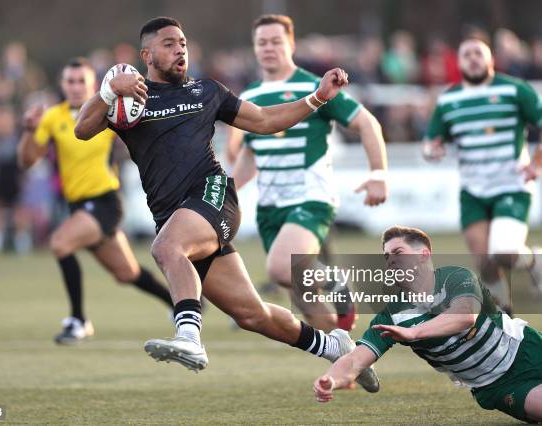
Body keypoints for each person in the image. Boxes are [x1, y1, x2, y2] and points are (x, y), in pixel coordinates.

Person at [74, 16, 379, 392]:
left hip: (214, 195)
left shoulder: (207, 92)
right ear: (147, 55)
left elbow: (266, 120)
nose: (180, 49)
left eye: (183, 43)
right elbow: (82, 130)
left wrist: (317, 97)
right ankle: (335, 346)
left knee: (166, 248)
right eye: (169, 44)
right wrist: (107, 92)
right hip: (176, 216)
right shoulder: (130, 101)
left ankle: (189, 337)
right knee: (253, 315)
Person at [228, 14, 388, 332]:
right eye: (262, 42)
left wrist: (379, 174)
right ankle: (344, 355)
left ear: (291, 43)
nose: (268, 48)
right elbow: (249, 154)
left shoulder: (314, 87)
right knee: (303, 297)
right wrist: (226, 193)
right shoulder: (248, 96)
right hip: (270, 208)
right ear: (254, 48)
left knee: (280, 269)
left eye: (276, 41)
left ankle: (337, 282)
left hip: (310, 199)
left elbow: (367, 123)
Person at [313, 225, 542, 423]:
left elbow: (464, 316)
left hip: (527, 349)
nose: (390, 260)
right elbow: (354, 359)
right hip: (495, 386)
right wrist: (331, 380)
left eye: (398, 252)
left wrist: (414, 333)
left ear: (423, 255)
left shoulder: (456, 277)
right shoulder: (392, 317)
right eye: (386, 256)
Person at [17, 57, 173, 344]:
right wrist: (29, 130)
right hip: (78, 206)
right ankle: (179, 303)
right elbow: (27, 161)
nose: (76, 87)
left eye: (82, 81)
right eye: (70, 81)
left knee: (60, 243)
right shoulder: (52, 117)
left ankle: (79, 320)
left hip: (105, 202)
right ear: (62, 85)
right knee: (127, 273)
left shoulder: (109, 111)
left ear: (94, 84)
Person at [422, 38, 542, 314]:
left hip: (511, 185)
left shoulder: (514, 89)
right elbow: (430, 141)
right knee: (484, 261)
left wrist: (536, 163)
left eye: (479, 53)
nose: (473, 59)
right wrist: (431, 150)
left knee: (503, 252)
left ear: (490, 59)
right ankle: (505, 314)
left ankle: (534, 262)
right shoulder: (449, 98)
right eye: (467, 55)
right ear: (459, 61)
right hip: (472, 190)